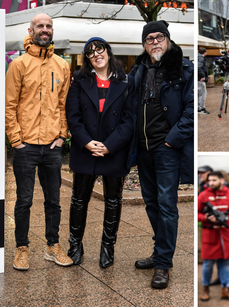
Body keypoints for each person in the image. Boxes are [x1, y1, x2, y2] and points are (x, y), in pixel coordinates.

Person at [129, 20, 194, 289]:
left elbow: (191, 112)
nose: (155, 42)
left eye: (159, 37)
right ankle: (160, 253)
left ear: (167, 40)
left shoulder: (183, 68)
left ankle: (163, 264)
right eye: (149, 39)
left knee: (167, 207)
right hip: (143, 149)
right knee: (152, 203)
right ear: (144, 44)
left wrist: (171, 141)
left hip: (166, 149)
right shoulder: (138, 69)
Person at [5, 13, 73, 271]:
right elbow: (9, 106)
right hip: (26, 146)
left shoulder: (62, 65)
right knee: (24, 200)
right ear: (31, 30)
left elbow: (64, 104)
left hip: (52, 146)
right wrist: (17, 140)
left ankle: (52, 246)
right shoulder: (19, 65)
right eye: (40, 26)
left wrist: (61, 135)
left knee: (53, 200)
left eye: (48, 26)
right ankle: (22, 248)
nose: (45, 30)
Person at [65, 37, 134, 267]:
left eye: (99, 49)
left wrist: (110, 145)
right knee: (78, 200)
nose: (96, 54)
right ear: (87, 59)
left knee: (113, 201)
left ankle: (107, 247)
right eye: (90, 52)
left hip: (113, 150)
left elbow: (129, 120)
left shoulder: (126, 81)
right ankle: (75, 245)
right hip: (86, 150)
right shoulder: (78, 81)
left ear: (108, 51)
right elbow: (73, 117)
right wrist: (87, 142)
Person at [198, 171, 229, 301]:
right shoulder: (203, 195)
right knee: (208, 265)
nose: (211, 183)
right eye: (209, 181)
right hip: (210, 236)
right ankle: (205, 288)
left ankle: (226, 290)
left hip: (226, 236)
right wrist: (206, 217)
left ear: (222, 181)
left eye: (214, 180)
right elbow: (197, 213)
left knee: (225, 264)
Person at [198, 48, 210, 114]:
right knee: (202, 94)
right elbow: (198, 67)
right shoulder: (201, 58)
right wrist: (203, 76)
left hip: (197, 79)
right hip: (200, 79)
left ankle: (198, 108)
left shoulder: (197, 57)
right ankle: (201, 109)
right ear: (205, 52)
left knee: (198, 94)